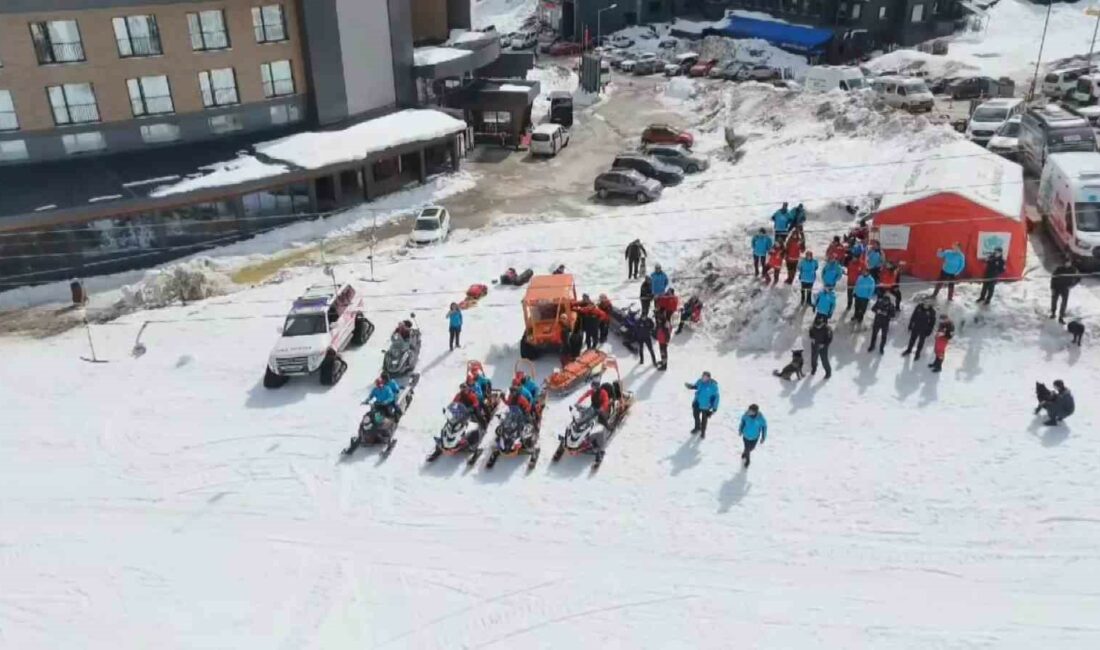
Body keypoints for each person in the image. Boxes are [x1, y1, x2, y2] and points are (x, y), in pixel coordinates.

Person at [685, 371, 720, 439]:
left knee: (704, 420)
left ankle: (703, 432)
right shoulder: (700, 381)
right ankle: (697, 427)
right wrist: (690, 386)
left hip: (706, 406)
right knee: (696, 417)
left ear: (709, 378)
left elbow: (716, 397)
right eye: (703, 376)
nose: (703, 378)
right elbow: (696, 386)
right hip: (697, 403)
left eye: (705, 377)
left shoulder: (713, 386)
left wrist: (714, 408)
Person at [1050, 259, 1079, 324]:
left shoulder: (1073, 270)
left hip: (1065, 288)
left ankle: (1061, 317)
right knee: (1054, 300)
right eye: (1066, 263)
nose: (1067, 264)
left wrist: (1072, 285)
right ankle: (1053, 313)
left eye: (1069, 263)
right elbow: (1053, 278)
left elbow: (1078, 278)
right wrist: (1052, 288)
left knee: (1064, 302)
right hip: (1056, 287)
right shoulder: (1059, 269)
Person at [738, 404, 767, 468]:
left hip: (755, 437)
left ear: (755, 412)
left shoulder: (760, 418)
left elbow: (764, 427)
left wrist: (763, 437)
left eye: (751, 411)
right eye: (749, 410)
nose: (749, 411)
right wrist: (740, 430)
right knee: (748, 449)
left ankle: (745, 452)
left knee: (751, 448)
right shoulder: (745, 416)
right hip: (746, 436)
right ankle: (748, 460)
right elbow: (742, 423)